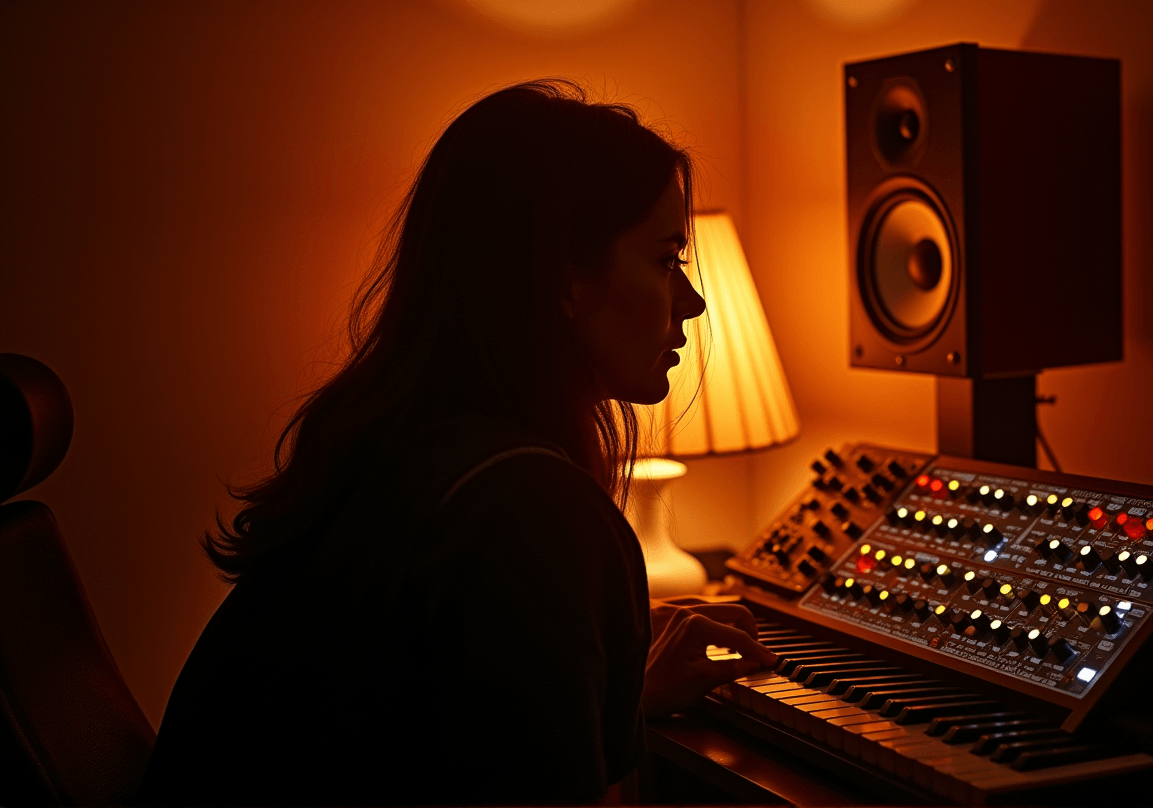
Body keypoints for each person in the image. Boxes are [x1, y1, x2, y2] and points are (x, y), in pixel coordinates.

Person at [138, 79, 777, 806]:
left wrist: (602, 692)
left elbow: (410, 735)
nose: (690, 302)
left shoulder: (394, 452)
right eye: (666, 258)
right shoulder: (533, 514)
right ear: (564, 283)